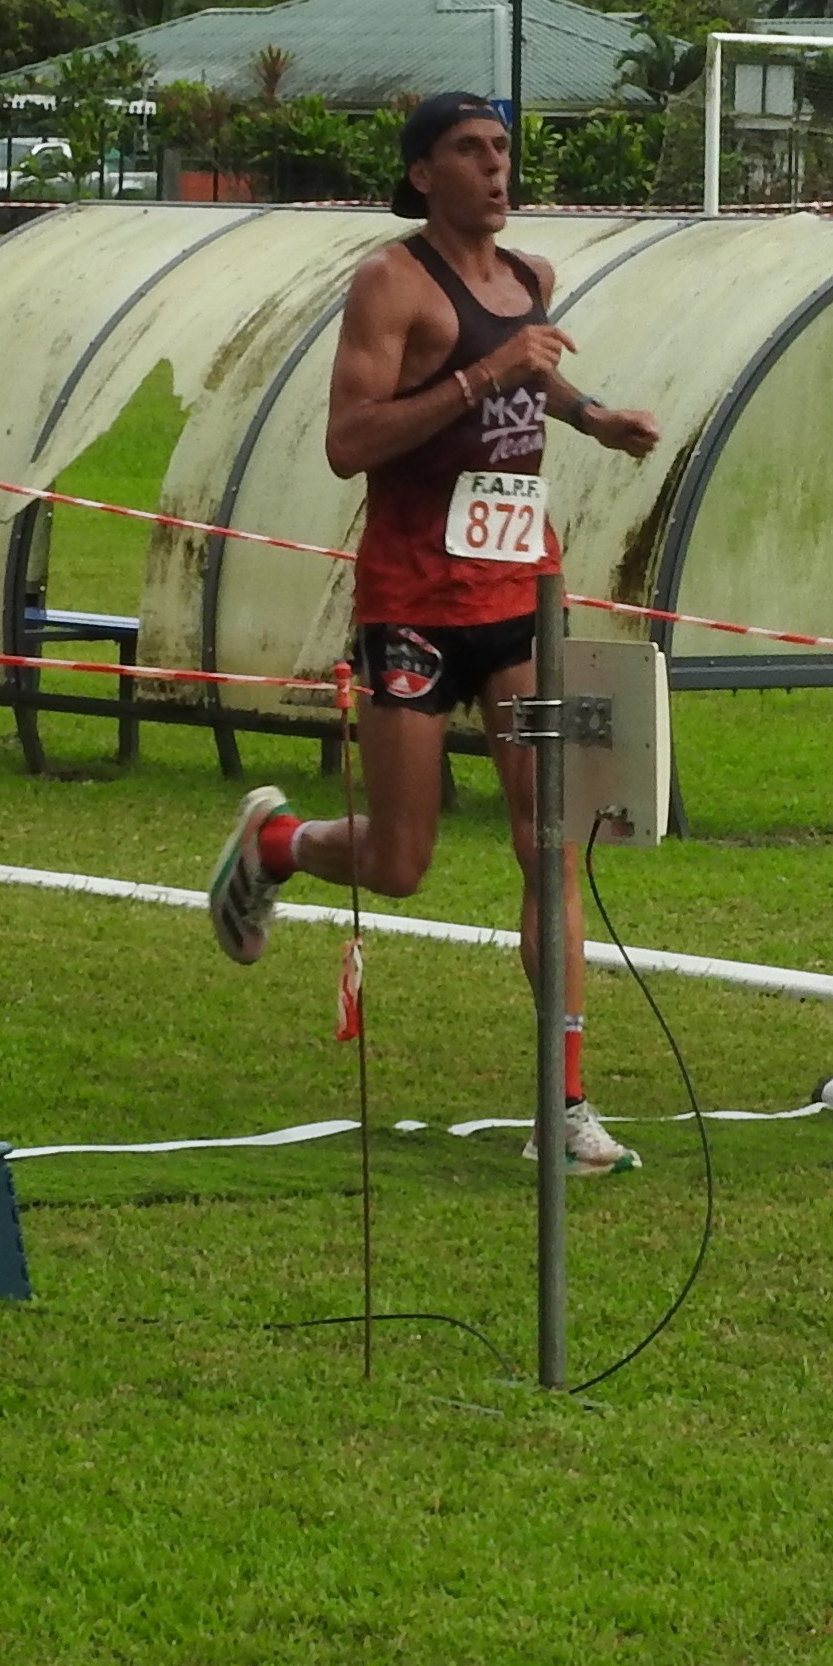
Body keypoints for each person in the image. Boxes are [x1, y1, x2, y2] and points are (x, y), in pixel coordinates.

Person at [202, 92, 663, 1172]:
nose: (496, 168)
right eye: (470, 151)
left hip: (520, 601)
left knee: (548, 850)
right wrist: (480, 376)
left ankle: (566, 1104)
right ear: (421, 174)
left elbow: (530, 368)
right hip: (411, 602)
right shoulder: (389, 283)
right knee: (401, 864)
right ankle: (277, 844)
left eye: (503, 148)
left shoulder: (530, 278)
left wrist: (591, 415)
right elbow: (348, 442)